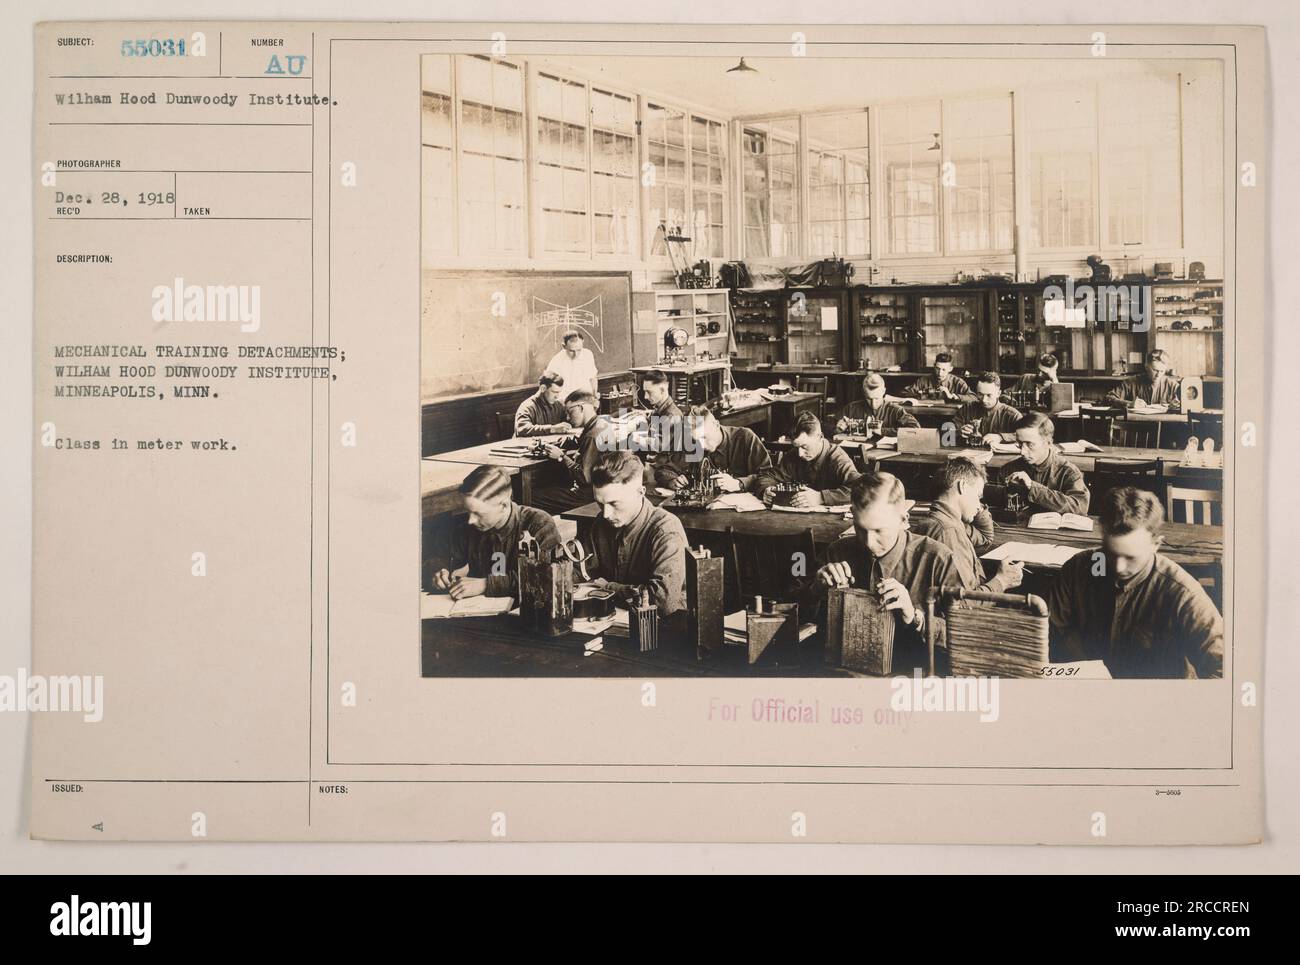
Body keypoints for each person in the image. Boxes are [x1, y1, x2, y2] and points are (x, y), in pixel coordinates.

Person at [1047, 487, 1223, 678]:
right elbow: (1052, 630)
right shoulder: (1077, 569)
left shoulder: (1184, 594)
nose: (1119, 568)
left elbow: (1222, 670)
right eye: (1110, 553)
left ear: (1156, 544)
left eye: (1131, 558)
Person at [806, 473, 965, 673]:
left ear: (903, 519)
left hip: (911, 674)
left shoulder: (938, 559)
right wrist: (816, 590)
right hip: (845, 673)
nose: (869, 543)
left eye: (879, 531)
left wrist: (916, 617)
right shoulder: (837, 552)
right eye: (860, 529)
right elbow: (797, 615)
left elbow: (962, 637)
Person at [587, 449, 688, 625]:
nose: (606, 514)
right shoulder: (600, 524)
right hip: (614, 622)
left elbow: (662, 601)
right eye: (600, 503)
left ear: (640, 492)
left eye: (614, 503)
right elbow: (584, 573)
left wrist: (608, 588)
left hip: (665, 628)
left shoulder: (666, 529)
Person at [430, 465, 561, 599]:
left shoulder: (538, 523)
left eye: (478, 513)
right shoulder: (470, 527)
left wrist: (487, 584)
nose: (470, 520)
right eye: (468, 511)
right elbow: (440, 555)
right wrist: (440, 570)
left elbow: (550, 576)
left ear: (504, 505)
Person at [911, 457, 1024, 594]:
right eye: (978, 497)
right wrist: (1001, 581)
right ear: (962, 486)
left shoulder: (942, 521)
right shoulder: (948, 532)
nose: (979, 506)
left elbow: (984, 536)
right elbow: (964, 604)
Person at [655, 404, 776, 493]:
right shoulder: (693, 443)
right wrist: (672, 481)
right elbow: (664, 469)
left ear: (716, 424)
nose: (701, 445)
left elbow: (768, 475)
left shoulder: (744, 437)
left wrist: (739, 483)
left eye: (703, 437)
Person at [531, 389, 618, 513]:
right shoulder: (601, 423)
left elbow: (584, 477)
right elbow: (583, 440)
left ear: (581, 408)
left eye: (569, 411)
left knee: (531, 497)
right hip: (601, 488)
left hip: (586, 495)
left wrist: (561, 456)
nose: (567, 417)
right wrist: (566, 442)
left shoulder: (591, 436)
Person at [765, 410, 862, 508]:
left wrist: (820, 497)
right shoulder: (793, 455)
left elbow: (860, 489)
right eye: (796, 447)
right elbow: (767, 477)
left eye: (805, 447)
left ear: (820, 438)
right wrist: (766, 490)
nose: (800, 454)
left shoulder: (838, 458)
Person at [1003, 411, 1090, 516]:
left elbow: (1079, 507)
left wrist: (1032, 487)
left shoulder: (1068, 472)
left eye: (1030, 444)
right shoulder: (1008, 469)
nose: (1023, 452)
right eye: (1020, 444)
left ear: (1048, 443)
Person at [835, 372, 921, 434]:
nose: (873, 404)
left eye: (877, 398)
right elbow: (827, 426)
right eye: (869, 399)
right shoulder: (851, 408)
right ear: (863, 393)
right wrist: (837, 429)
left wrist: (882, 431)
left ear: (883, 391)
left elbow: (915, 428)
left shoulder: (895, 410)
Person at [954, 372, 1022, 444]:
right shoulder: (967, 409)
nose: (984, 400)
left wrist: (1001, 437)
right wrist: (958, 432)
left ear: (998, 393)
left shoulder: (1012, 415)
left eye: (989, 395)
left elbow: (1028, 435)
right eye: (980, 394)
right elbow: (947, 431)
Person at [1104, 348, 1181, 408]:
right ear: (1146, 367)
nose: (1158, 375)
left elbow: (1187, 402)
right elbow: (1108, 398)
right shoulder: (1131, 382)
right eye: (1155, 370)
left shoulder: (1172, 385)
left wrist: (1179, 405)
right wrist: (1129, 403)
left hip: (1164, 426)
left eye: (1162, 371)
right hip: (1137, 425)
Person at [513, 371, 572, 437]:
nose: (557, 396)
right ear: (543, 388)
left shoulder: (558, 406)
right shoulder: (527, 406)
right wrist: (552, 429)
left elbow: (567, 422)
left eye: (559, 392)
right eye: (554, 392)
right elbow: (522, 429)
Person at [545, 330, 599, 398]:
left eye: (579, 350)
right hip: (565, 400)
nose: (576, 355)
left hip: (585, 398)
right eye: (571, 351)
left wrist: (594, 395)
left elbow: (592, 377)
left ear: (582, 343)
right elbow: (549, 385)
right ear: (563, 346)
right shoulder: (557, 361)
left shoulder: (588, 354)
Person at [638, 368, 682, 452]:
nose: (645, 397)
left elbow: (659, 446)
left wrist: (637, 439)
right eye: (645, 392)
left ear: (662, 390)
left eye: (649, 392)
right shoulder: (660, 408)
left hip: (665, 462)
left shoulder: (672, 415)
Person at [904, 353, 972, 401]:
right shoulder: (923, 380)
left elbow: (974, 398)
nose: (939, 373)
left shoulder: (958, 382)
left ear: (950, 369)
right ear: (934, 366)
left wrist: (953, 396)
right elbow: (904, 393)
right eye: (937, 369)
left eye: (944, 369)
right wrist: (920, 395)